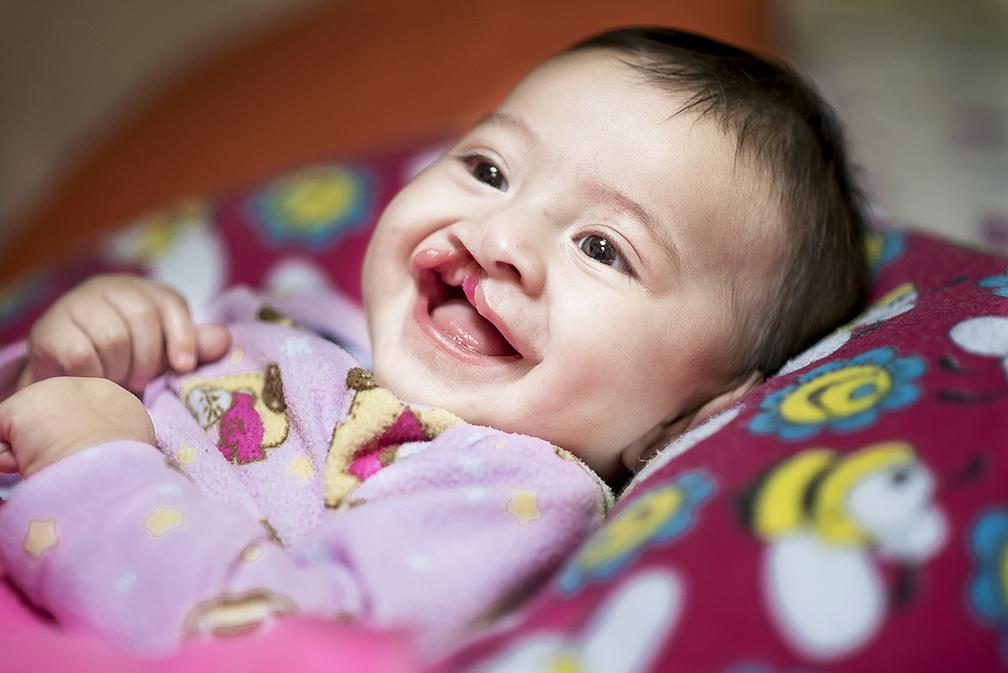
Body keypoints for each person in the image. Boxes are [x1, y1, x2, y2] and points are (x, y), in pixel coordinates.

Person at [0, 27, 867, 657]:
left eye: (604, 248)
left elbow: (285, 640)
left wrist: (96, 466)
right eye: (489, 170)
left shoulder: (507, 493)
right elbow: (44, 413)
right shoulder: (298, 315)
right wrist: (83, 350)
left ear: (691, 417)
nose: (501, 235)